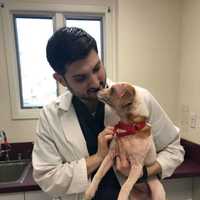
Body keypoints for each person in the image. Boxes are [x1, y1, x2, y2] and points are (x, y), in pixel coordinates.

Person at [32, 27, 185, 200]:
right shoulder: (50, 116)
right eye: (81, 78)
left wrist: (144, 173)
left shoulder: (139, 100)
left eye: (97, 68)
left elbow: (174, 150)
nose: (96, 82)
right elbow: (47, 177)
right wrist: (98, 158)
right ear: (61, 80)